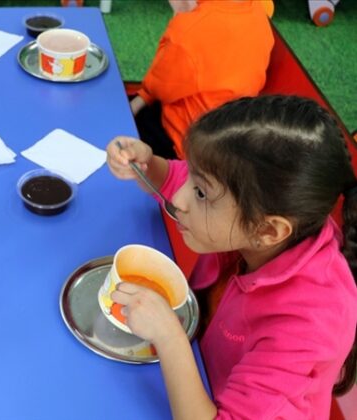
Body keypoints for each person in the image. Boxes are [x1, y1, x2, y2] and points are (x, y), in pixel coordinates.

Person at [106, 95, 357, 418]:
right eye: (194, 180)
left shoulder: (307, 325)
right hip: (202, 366)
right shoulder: (267, 225)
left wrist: (169, 337)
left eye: (200, 193)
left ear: (268, 230)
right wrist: (151, 165)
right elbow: (187, 180)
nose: (180, 199)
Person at [131, 0, 274, 159]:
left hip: (183, 145)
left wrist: (180, 16)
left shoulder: (190, 30)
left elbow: (159, 87)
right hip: (228, 140)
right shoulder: (259, 9)